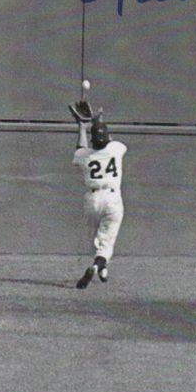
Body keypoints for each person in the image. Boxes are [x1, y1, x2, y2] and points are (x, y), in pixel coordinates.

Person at [71, 107, 127, 289]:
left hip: (92, 200)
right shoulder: (117, 149)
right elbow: (107, 139)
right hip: (112, 199)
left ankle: (102, 269)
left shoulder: (84, 155)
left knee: (96, 240)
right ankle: (97, 267)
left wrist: (81, 127)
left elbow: (81, 147)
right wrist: (98, 119)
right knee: (106, 242)